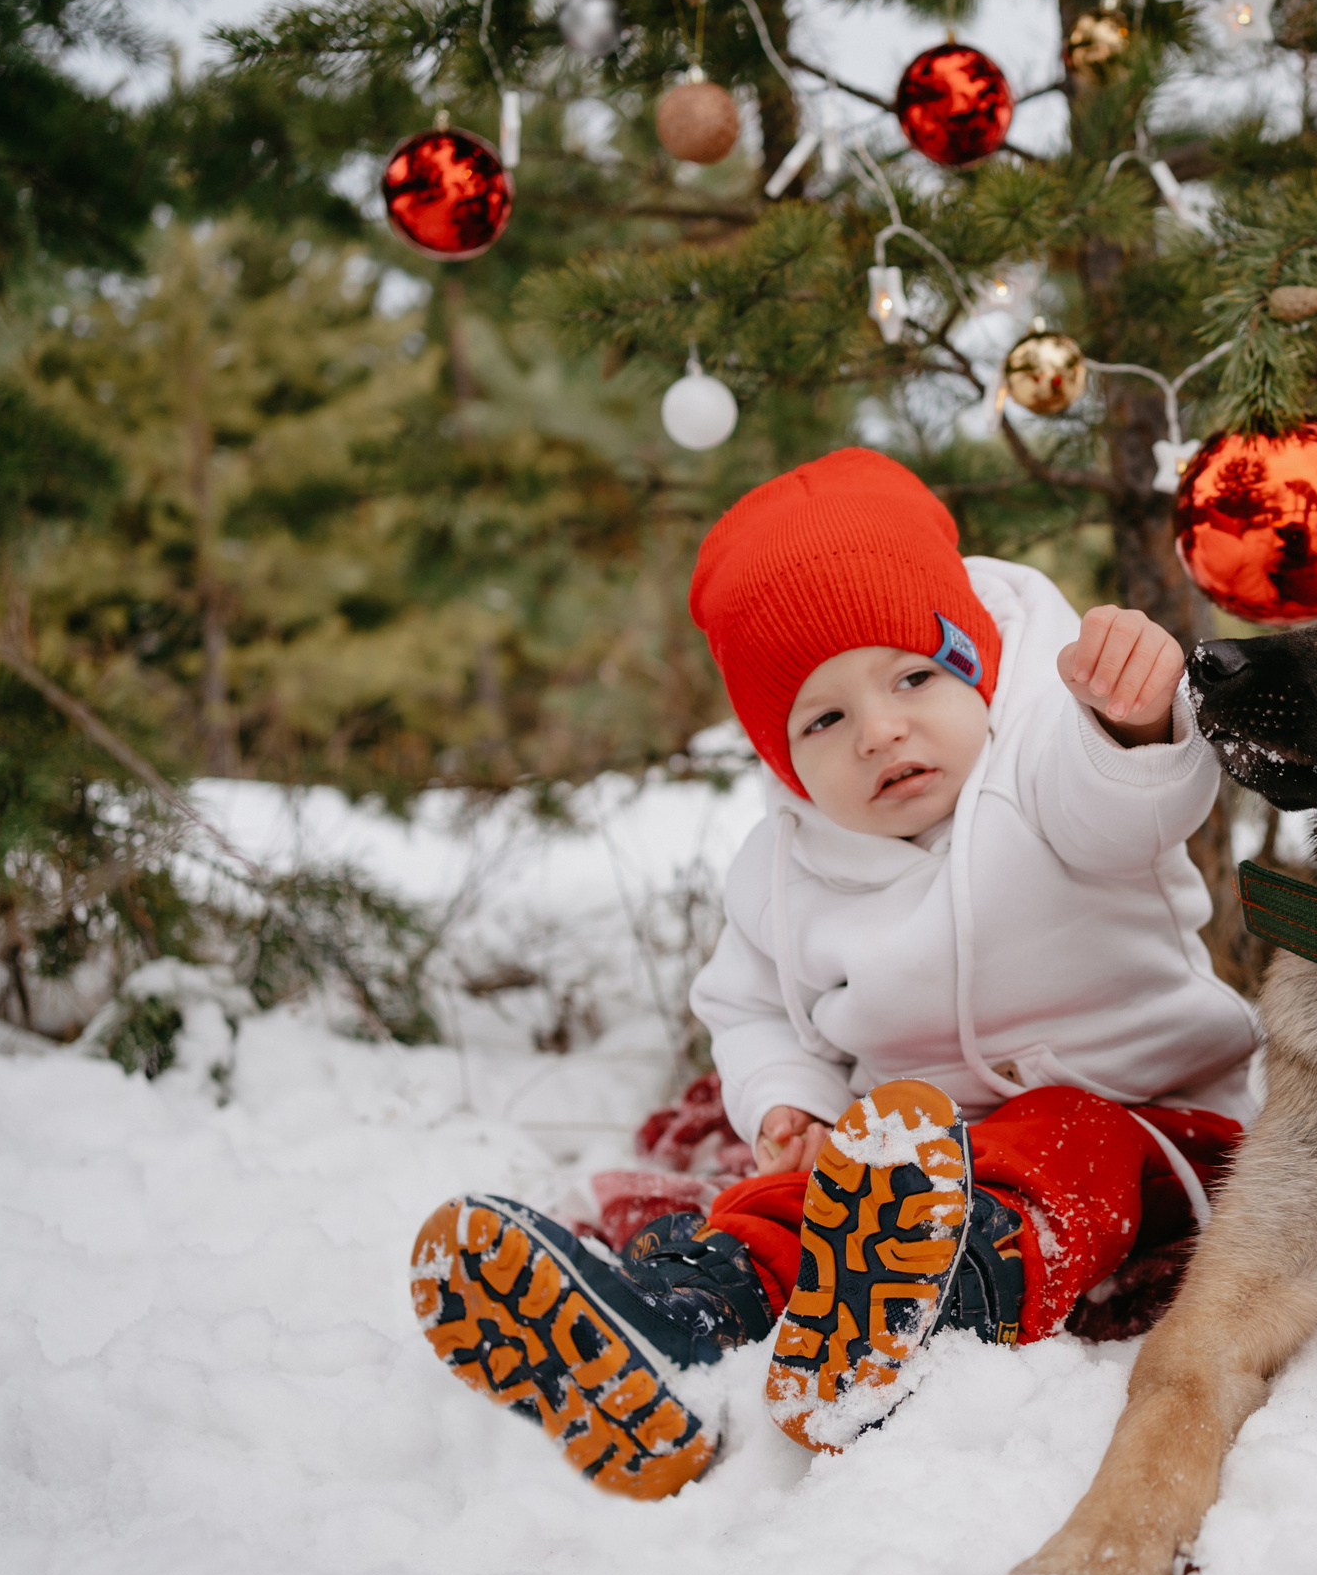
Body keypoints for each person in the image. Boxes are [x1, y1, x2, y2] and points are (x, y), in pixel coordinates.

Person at [407, 448, 1260, 1499]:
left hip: (1147, 1127)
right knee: (784, 1196)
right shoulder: (781, 868)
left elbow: (1130, 808)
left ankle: (943, 1297)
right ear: (783, 759)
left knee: (1062, 1137)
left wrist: (1130, 724)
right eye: (824, 719)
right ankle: (678, 1323)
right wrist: (790, 1102)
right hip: (905, 1167)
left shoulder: (1049, 752)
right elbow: (749, 1007)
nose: (880, 731)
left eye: (913, 678)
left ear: (977, 662)